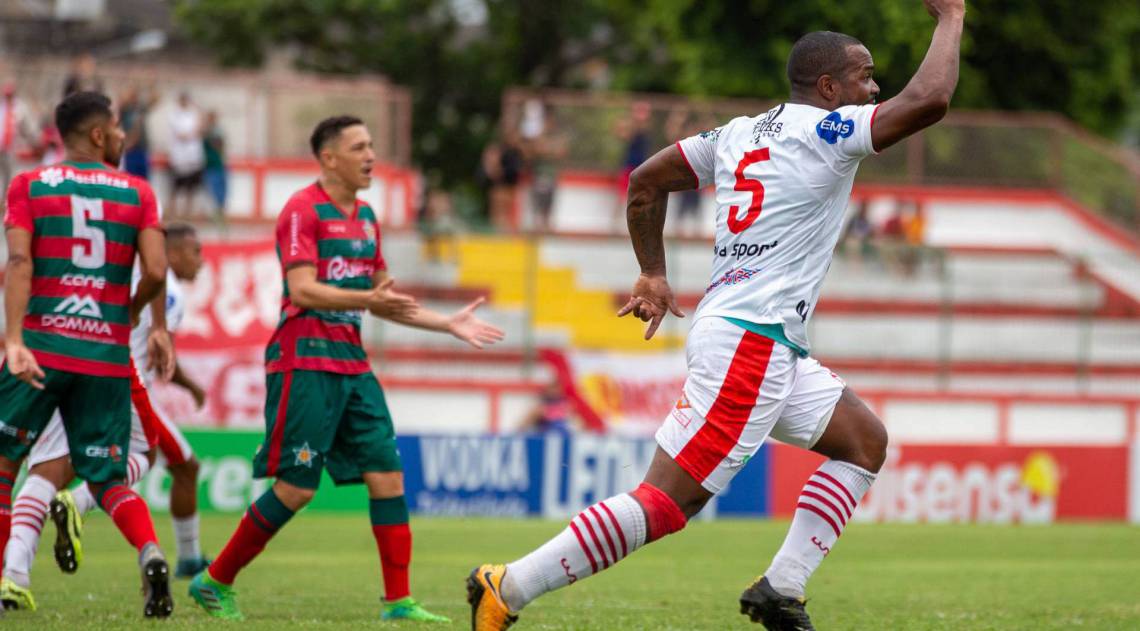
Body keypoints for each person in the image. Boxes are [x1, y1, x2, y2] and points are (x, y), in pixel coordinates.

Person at [467, 1, 965, 629]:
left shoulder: (736, 134)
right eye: (865, 77)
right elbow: (930, 100)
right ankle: (507, 586)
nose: (874, 88)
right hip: (751, 344)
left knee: (864, 442)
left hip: (756, 337)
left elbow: (646, 181)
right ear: (829, 87)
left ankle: (781, 588)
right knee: (666, 505)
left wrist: (652, 270)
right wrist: (950, 17)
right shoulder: (826, 133)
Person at [189, 115, 506, 622]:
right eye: (359, 147)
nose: (371, 155)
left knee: (388, 479)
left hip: (352, 364)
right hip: (304, 359)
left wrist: (447, 323)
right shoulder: (302, 209)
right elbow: (302, 290)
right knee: (296, 488)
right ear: (328, 157)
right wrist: (365, 297)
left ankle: (399, 602)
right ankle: (214, 579)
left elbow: (384, 301)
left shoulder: (365, 217)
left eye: (372, 145)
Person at [0, 91, 176, 618]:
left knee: (6, 469)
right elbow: (158, 271)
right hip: (104, 357)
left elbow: (19, 262)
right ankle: (149, 551)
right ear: (98, 135)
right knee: (105, 477)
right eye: (119, 127)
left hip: (42, 349)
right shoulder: (138, 192)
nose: (125, 136)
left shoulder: (28, 185)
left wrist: (13, 341)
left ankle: (9, 580)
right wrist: (140, 319)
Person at [29, 223, 212, 589]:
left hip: (86, 375)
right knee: (168, 461)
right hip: (126, 386)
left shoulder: (124, 275)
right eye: (195, 252)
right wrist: (193, 387)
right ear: (171, 253)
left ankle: (18, 553)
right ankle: (78, 505)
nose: (201, 262)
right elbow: (164, 360)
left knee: (62, 467)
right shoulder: (169, 291)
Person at [166, 92, 205, 218]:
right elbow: (182, 135)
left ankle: (187, 213)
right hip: (179, 158)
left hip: (193, 157)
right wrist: (193, 133)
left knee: (191, 188)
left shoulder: (193, 115)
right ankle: (173, 212)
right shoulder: (174, 115)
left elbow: (201, 127)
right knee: (175, 188)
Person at [0, 83, 36, 199]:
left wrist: (33, 141)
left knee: (11, 175)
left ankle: (7, 200)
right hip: (1, 146)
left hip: (13, 147)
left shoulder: (21, 108)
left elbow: (28, 127)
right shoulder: (1, 106)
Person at [119, 85, 157, 180]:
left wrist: (150, 85)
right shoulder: (125, 110)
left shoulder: (140, 109)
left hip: (142, 149)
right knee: (131, 179)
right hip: (130, 150)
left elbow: (155, 99)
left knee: (143, 180)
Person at [202, 110, 227, 220]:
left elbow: (221, 145)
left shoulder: (218, 131)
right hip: (210, 166)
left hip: (219, 165)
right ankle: (214, 215)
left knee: (222, 192)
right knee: (212, 192)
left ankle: (220, 213)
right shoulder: (206, 134)